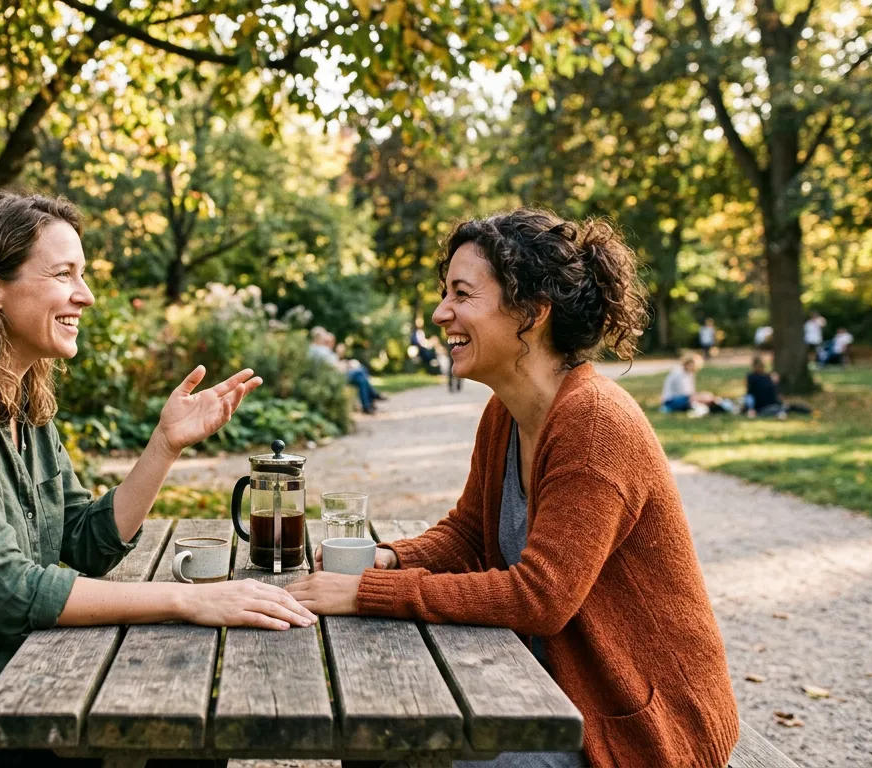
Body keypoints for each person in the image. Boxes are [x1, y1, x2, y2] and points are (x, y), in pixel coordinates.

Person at [0, 192, 315, 768]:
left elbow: (81, 542)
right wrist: (187, 600)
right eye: (63, 274)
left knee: (182, 723)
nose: (86, 294)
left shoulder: (21, 404)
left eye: (83, 274)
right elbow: (7, 589)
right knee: (167, 737)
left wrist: (164, 445)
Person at [288, 209, 739, 768]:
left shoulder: (596, 426)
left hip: (639, 727)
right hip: (553, 687)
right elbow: (471, 534)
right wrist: (384, 559)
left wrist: (368, 595)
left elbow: (539, 597)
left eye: (462, 293)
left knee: (399, 743)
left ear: (532, 312)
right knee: (382, 727)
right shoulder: (506, 413)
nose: (440, 312)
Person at [310, 327, 384, 414]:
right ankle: (371, 398)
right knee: (360, 371)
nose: (325, 339)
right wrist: (348, 365)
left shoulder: (315, 349)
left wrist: (347, 364)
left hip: (333, 375)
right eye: (323, 336)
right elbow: (334, 367)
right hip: (335, 377)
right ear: (319, 337)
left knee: (361, 378)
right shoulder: (321, 350)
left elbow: (333, 364)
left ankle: (367, 405)